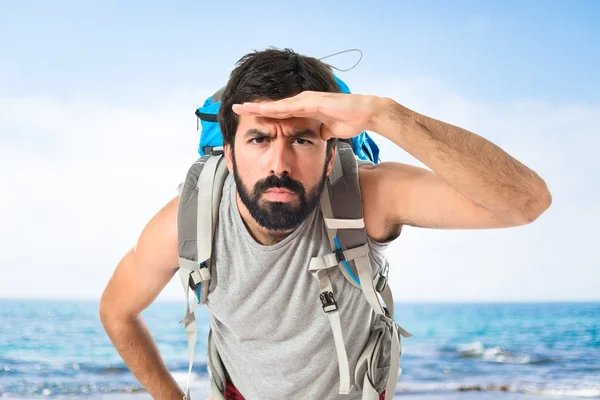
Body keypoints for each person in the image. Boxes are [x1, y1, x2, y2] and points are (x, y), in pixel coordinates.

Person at [99, 48, 552, 400]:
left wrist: (383, 115)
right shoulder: (189, 220)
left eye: (301, 139)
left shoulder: (366, 197)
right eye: (259, 138)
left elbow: (524, 202)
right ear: (230, 153)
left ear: (331, 150)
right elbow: (117, 312)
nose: (279, 163)